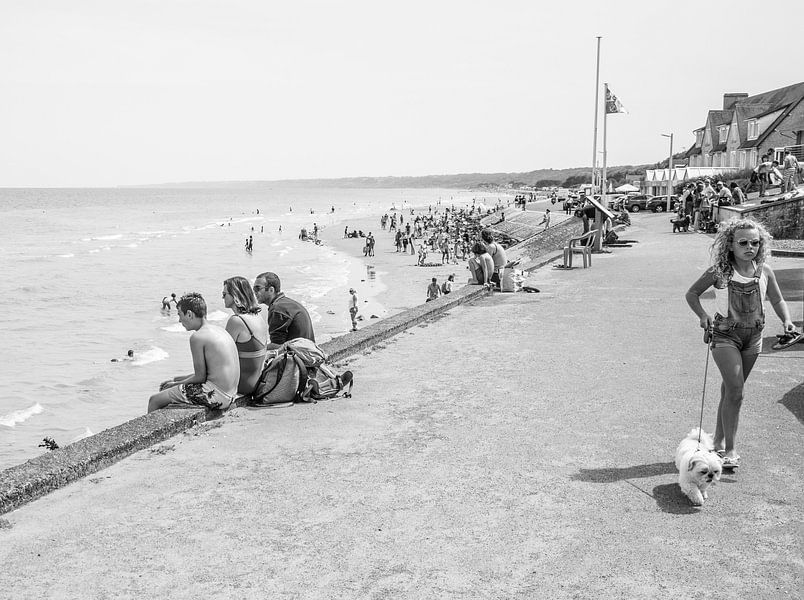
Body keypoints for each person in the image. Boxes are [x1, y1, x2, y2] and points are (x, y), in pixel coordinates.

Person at [685, 218, 795, 469]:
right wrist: (703, 316)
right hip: (725, 336)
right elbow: (692, 294)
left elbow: (777, 300)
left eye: (755, 243)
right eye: (743, 242)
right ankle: (730, 450)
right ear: (731, 245)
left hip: (753, 338)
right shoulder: (720, 272)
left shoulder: (764, 271)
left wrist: (787, 321)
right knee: (736, 391)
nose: (750, 247)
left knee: (730, 390)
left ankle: (717, 439)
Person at [147, 293, 239, 413]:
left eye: (180, 315)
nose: (179, 320)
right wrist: (176, 380)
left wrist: (175, 384)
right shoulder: (220, 330)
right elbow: (209, 373)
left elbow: (200, 377)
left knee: (154, 400)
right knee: (173, 382)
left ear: (189, 314)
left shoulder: (197, 337)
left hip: (217, 395)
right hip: (231, 394)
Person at [222, 276, 268, 396]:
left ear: (235, 295)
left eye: (224, 294)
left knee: (175, 383)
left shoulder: (236, 321)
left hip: (242, 384)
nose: (223, 298)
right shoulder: (258, 317)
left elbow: (221, 356)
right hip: (255, 381)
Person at [253, 272, 315, 349]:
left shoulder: (277, 309)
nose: (254, 292)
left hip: (298, 357)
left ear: (271, 290)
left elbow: (276, 346)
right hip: (308, 353)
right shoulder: (287, 303)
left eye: (257, 289)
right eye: (253, 289)